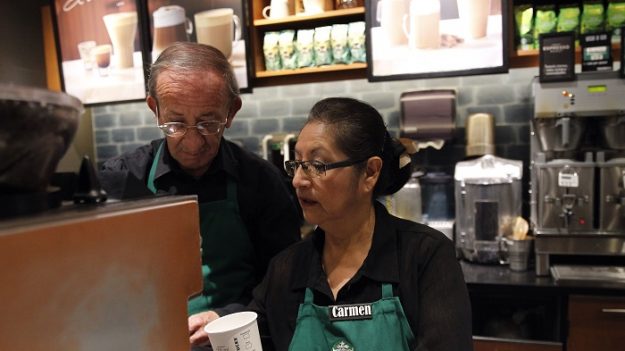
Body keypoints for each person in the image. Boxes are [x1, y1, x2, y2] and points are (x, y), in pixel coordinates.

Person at [98, 42, 302, 348]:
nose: (193, 144)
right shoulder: (122, 180)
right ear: (155, 109)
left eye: (208, 123)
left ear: (231, 112)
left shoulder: (261, 182)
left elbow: (285, 284)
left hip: (234, 339)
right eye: (176, 123)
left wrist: (228, 315)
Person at [249, 97, 473, 351]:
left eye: (316, 165)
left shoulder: (424, 257)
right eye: (297, 164)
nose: (298, 181)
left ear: (370, 172)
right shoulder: (286, 270)